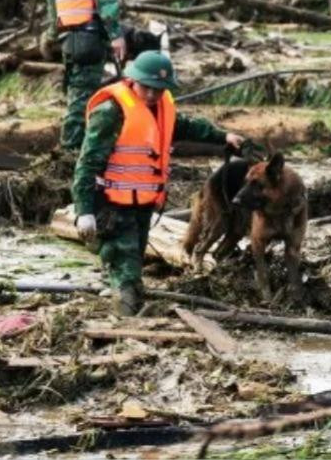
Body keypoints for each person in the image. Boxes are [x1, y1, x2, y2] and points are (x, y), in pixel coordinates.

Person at [72, 51, 246, 315]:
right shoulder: (110, 112)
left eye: (159, 89)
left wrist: (223, 137)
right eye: (147, 88)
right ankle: (126, 324)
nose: (153, 95)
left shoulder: (162, 107)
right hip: (112, 206)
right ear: (133, 81)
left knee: (133, 262)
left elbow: (185, 126)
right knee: (126, 264)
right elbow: (87, 163)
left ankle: (127, 304)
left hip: (143, 204)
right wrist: (84, 211)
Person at [52, 0, 125, 150]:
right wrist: (116, 35)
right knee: (83, 99)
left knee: (77, 93)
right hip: (89, 37)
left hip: (68, 37)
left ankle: (76, 149)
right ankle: (69, 153)